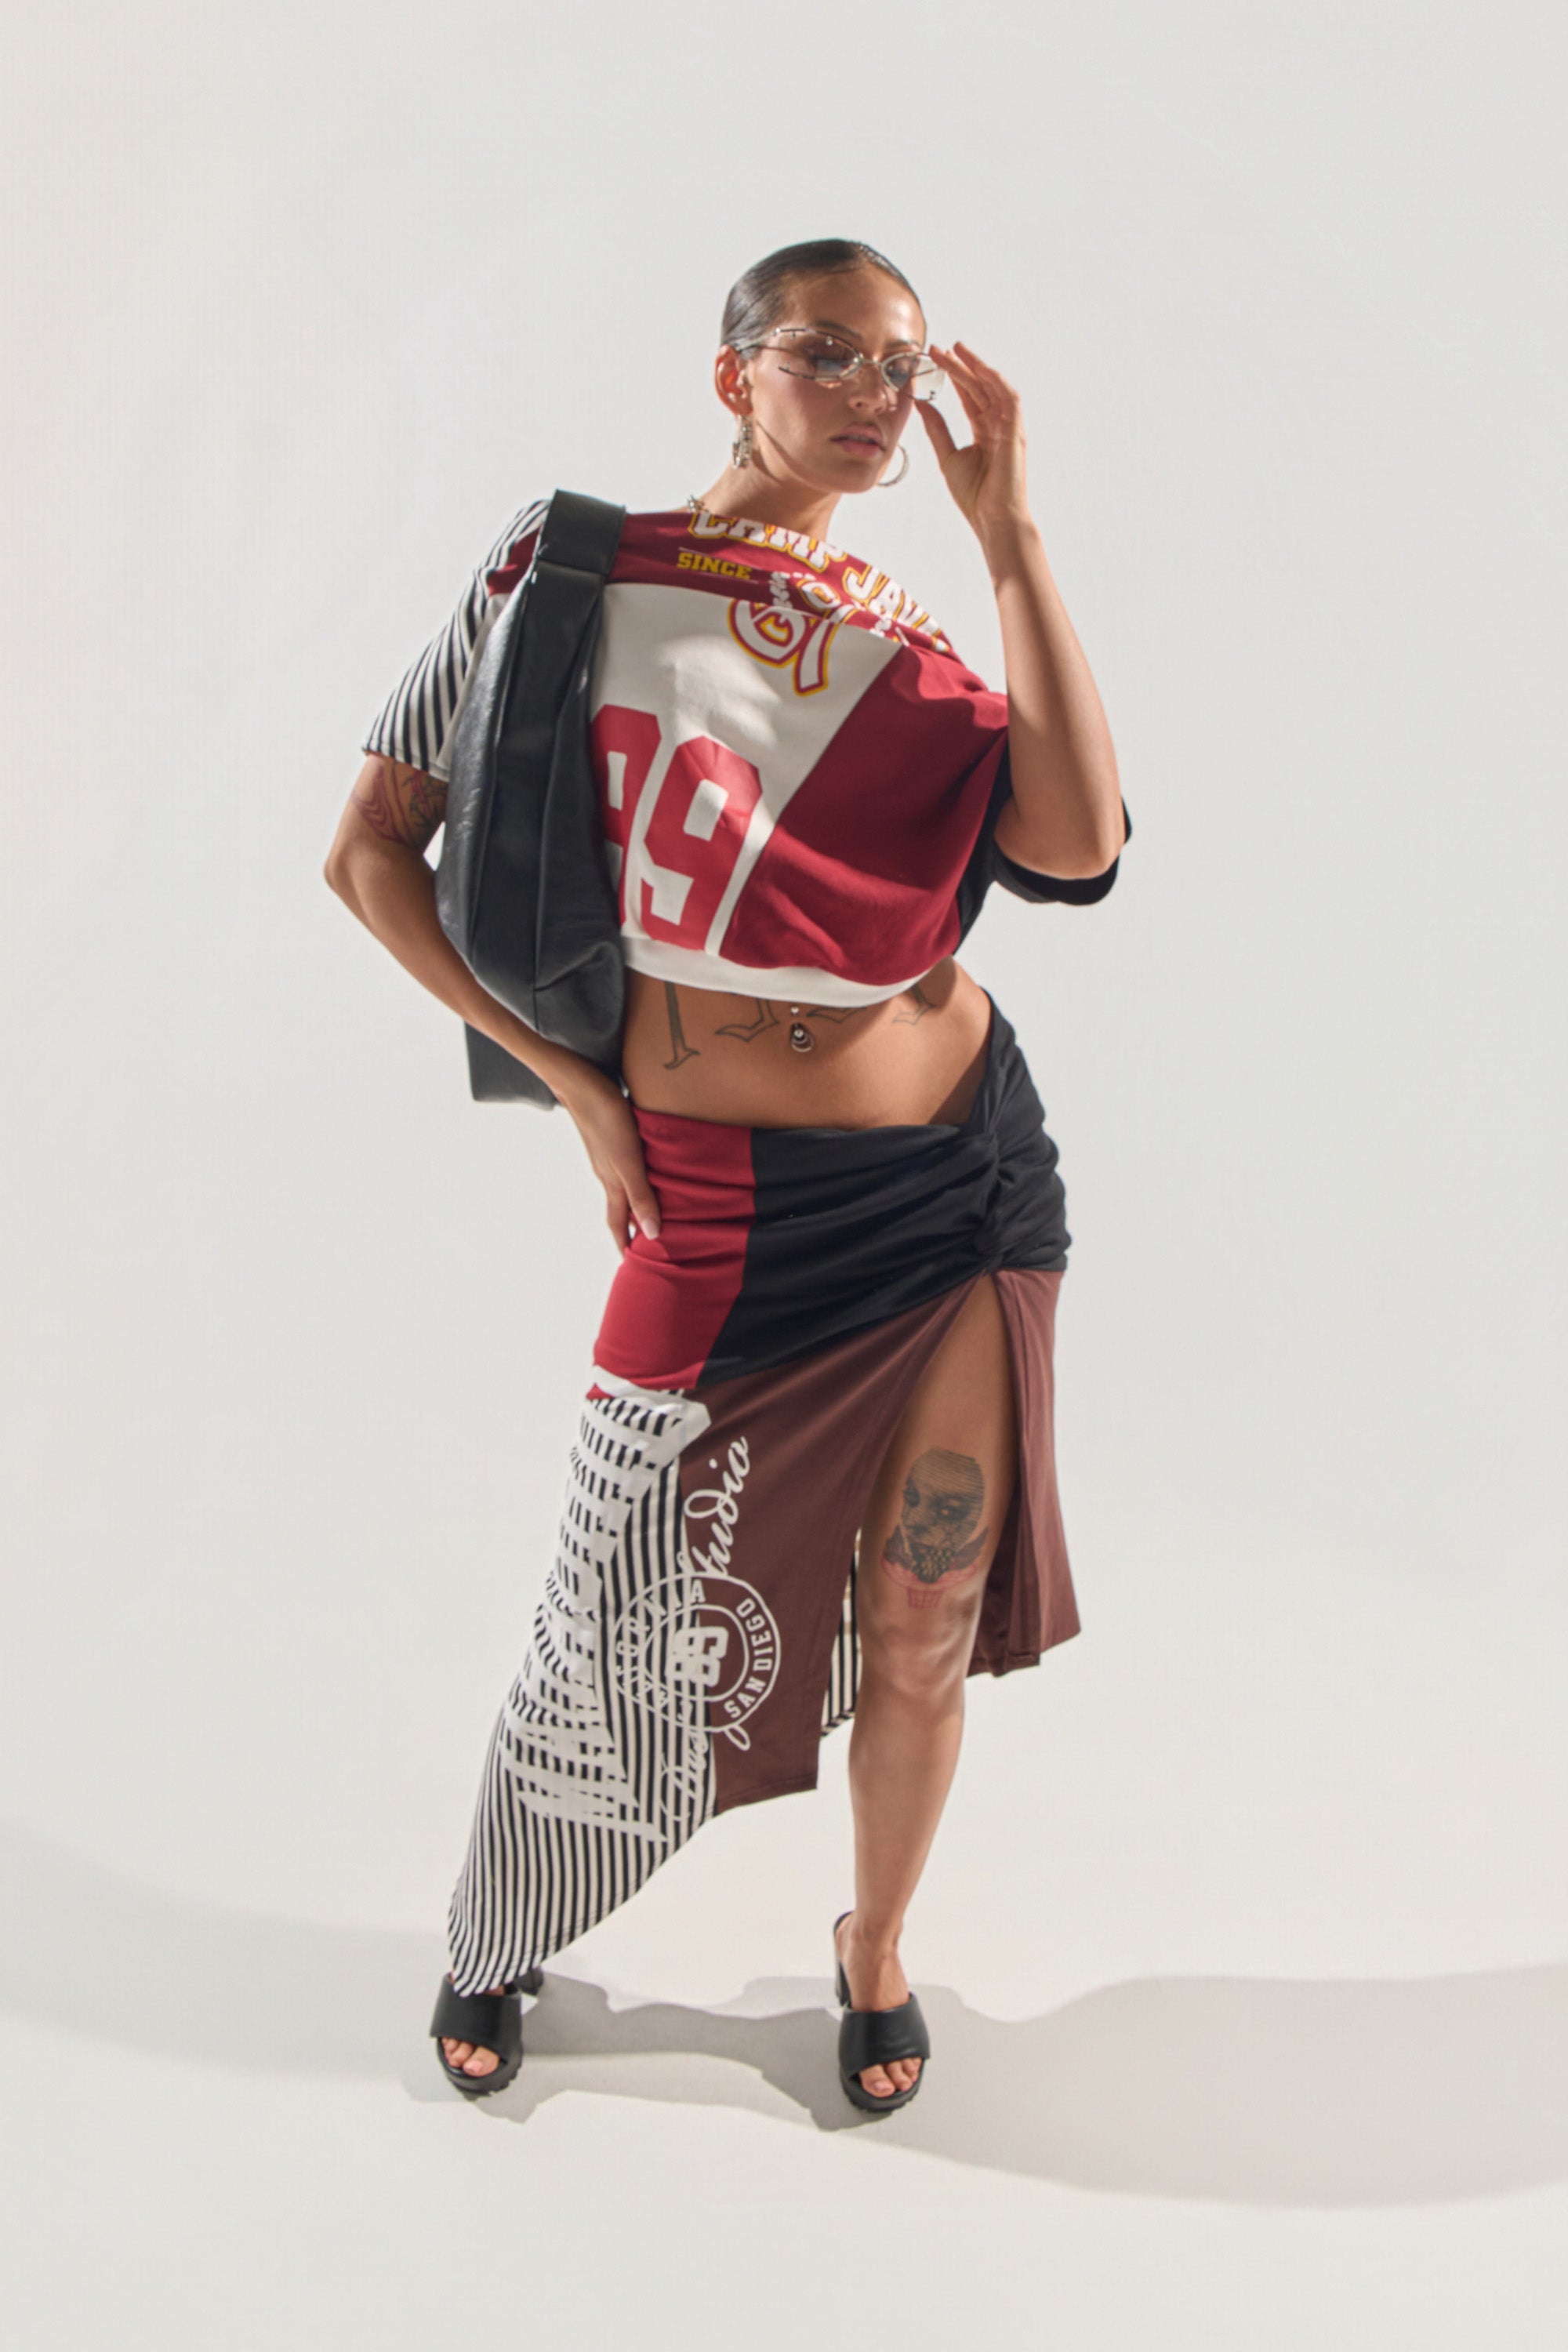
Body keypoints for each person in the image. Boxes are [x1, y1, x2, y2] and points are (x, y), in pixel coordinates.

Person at [325, 237, 1131, 2114]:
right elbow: (372, 848)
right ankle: (498, 1924)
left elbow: (1079, 846)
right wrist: (575, 1093)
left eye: (902, 370)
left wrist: (1010, 540)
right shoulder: (568, 575)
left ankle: (872, 1951)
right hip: (715, 1187)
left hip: (960, 1178)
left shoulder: (905, 645)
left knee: (924, 1599)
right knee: (610, 1602)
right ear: (734, 375)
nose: (873, 397)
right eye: (830, 355)